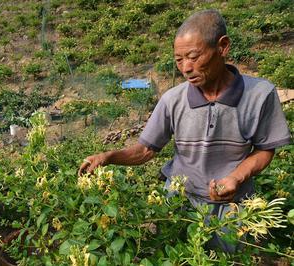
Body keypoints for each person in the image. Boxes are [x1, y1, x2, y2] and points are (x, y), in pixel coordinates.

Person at [79, 9, 291, 252]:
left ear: (222, 47)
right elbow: (146, 150)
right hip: (179, 203)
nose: (186, 68)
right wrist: (108, 157)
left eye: (193, 56)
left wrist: (236, 177)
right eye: (179, 60)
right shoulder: (173, 100)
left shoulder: (260, 94)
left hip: (233, 207)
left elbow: (265, 149)